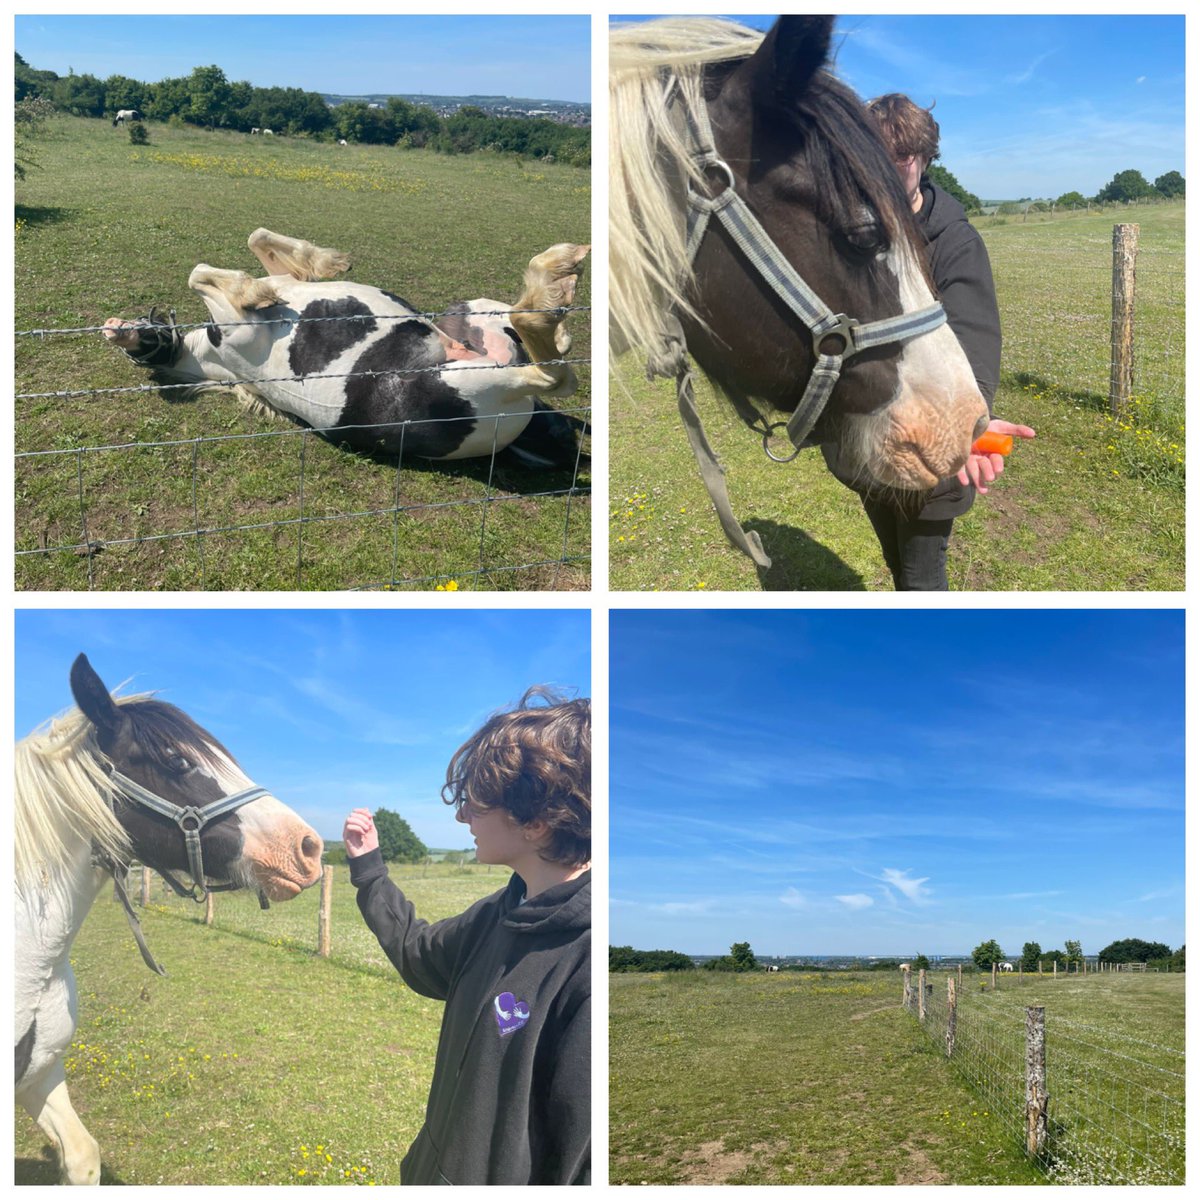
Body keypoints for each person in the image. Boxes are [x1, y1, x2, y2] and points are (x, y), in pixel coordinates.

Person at [342, 687, 591, 1186]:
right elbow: (420, 955)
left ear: (536, 823)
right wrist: (369, 868)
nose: (462, 817)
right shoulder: (501, 911)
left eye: (477, 804)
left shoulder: (585, 963)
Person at [825, 93, 1034, 590]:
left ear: (923, 157)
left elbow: (975, 337)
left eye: (900, 157)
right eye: (873, 158)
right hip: (869, 447)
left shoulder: (955, 242)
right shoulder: (855, 236)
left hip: (934, 453)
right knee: (896, 562)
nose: (889, 171)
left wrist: (971, 425)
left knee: (922, 579)